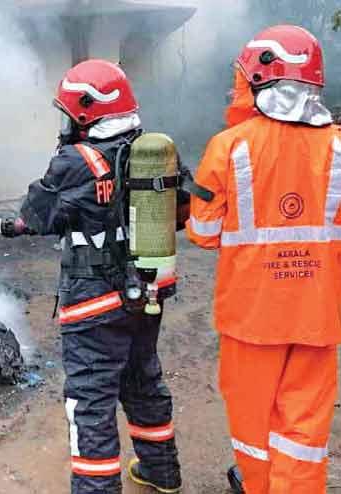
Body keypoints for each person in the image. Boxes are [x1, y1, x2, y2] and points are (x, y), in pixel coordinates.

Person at [2, 59, 186, 494]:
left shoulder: (75, 160)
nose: (64, 123)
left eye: (67, 113)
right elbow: (180, 213)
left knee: (90, 402)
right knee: (143, 380)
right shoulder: (149, 151)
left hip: (94, 306)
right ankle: (162, 473)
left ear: (86, 111)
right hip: (147, 294)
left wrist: (22, 223)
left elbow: (38, 212)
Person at [187, 25, 340, 493]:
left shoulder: (229, 146)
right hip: (319, 316)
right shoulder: (337, 147)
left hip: (251, 319)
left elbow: (204, 232)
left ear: (258, 77)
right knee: (304, 434)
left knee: (254, 433)